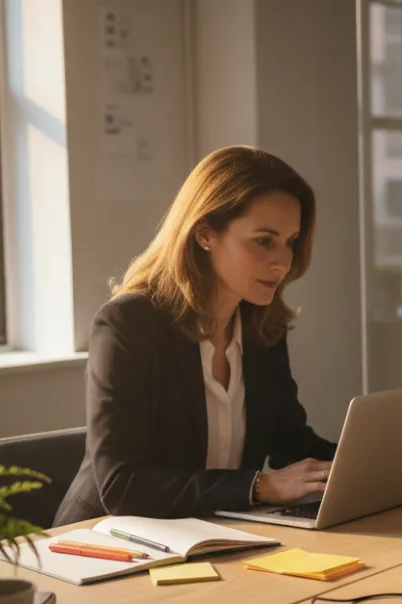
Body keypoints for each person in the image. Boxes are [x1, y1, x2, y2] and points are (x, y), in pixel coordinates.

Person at [55, 146, 337, 526]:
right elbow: (123, 485)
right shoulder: (128, 324)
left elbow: (290, 443)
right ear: (205, 234)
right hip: (109, 541)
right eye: (264, 241)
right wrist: (259, 486)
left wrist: (368, 464)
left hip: (217, 535)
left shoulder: (261, 327)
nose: (283, 261)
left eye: (290, 241)